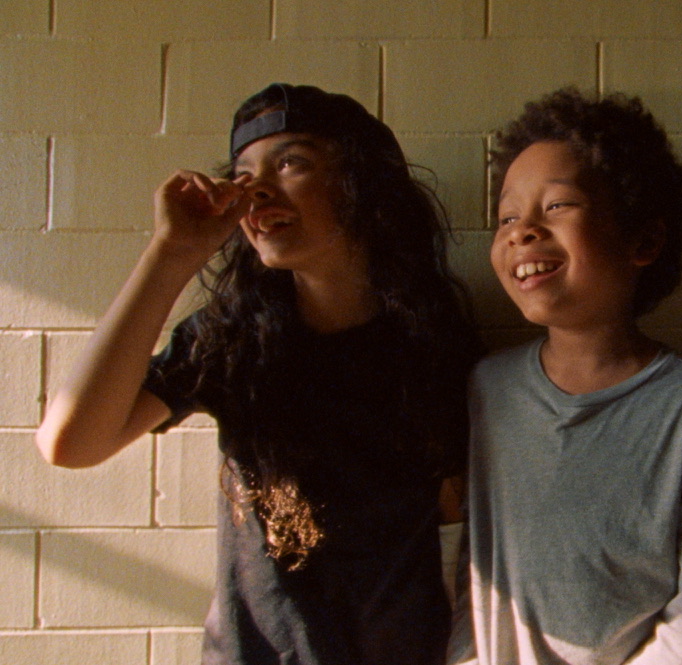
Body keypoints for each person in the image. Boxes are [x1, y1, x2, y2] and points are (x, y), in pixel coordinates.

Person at [36, 83, 480, 665]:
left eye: (291, 162)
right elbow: (69, 443)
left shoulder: (434, 338)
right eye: (243, 174)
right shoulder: (232, 338)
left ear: (363, 183)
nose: (257, 190)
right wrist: (170, 254)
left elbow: (455, 528)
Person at [447, 88, 682, 665]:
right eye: (507, 216)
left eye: (557, 206)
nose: (521, 231)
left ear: (643, 240)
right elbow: (469, 564)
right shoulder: (489, 389)